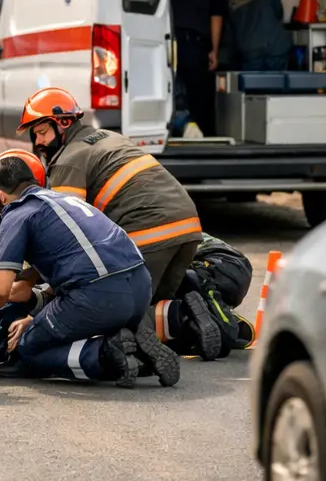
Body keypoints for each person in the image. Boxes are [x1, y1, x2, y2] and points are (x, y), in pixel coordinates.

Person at [17, 87, 223, 365]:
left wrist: (35, 280)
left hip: (148, 230)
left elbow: (64, 231)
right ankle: (192, 315)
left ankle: (146, 333)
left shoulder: (69, 159)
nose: (38, 142)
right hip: (187, 226)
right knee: (151, 302)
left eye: (41, 132)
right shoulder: (108, 137)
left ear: (63, 123)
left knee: (118, 307)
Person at [0, 151, 174, 388]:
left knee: (26, 348)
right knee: (49, 328)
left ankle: (108, 353)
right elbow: (37, 280)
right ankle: (136, 354)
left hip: (98, 296)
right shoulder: (66, 201)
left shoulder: (18, 212)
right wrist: (36, 319)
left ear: (0, 195)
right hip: (140, 287)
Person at [170, 0, 226, 134]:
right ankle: (203, 136)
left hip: (169, 43)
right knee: (200, 95)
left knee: (173, 91)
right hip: (195, 45)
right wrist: (214, 49)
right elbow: (216, 14)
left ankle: (176, 131)